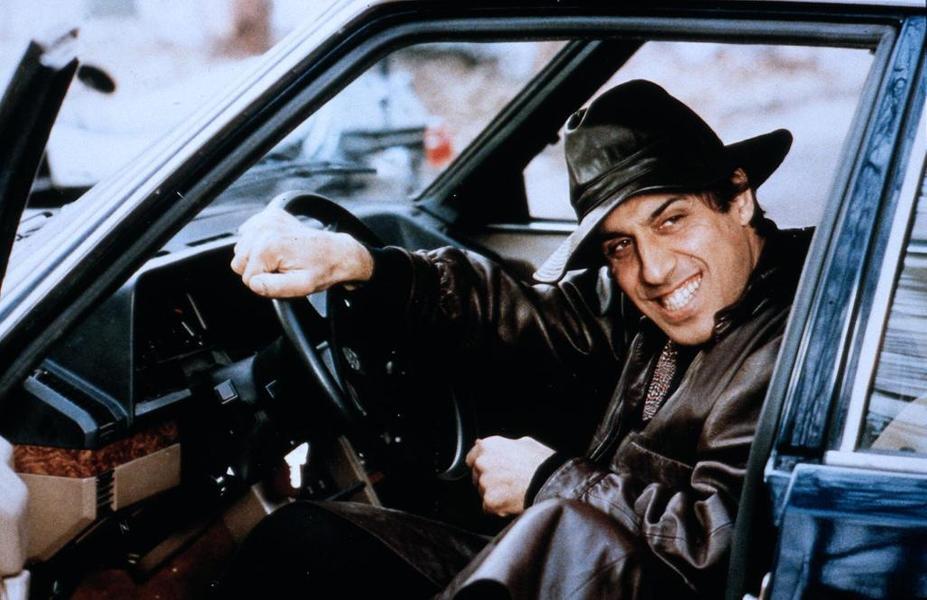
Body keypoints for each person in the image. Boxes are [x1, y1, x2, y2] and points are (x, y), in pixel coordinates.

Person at [221, 79, 812, 598]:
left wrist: (548, 481)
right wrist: (364, 266)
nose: (653, 270)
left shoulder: (795, 338)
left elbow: (728, 549)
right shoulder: (657, 304)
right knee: (300, 539)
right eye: (620, 245)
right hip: (589, 565)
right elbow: (522, 310)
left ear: (739, 197)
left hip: (625, 576)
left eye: (671, 219)